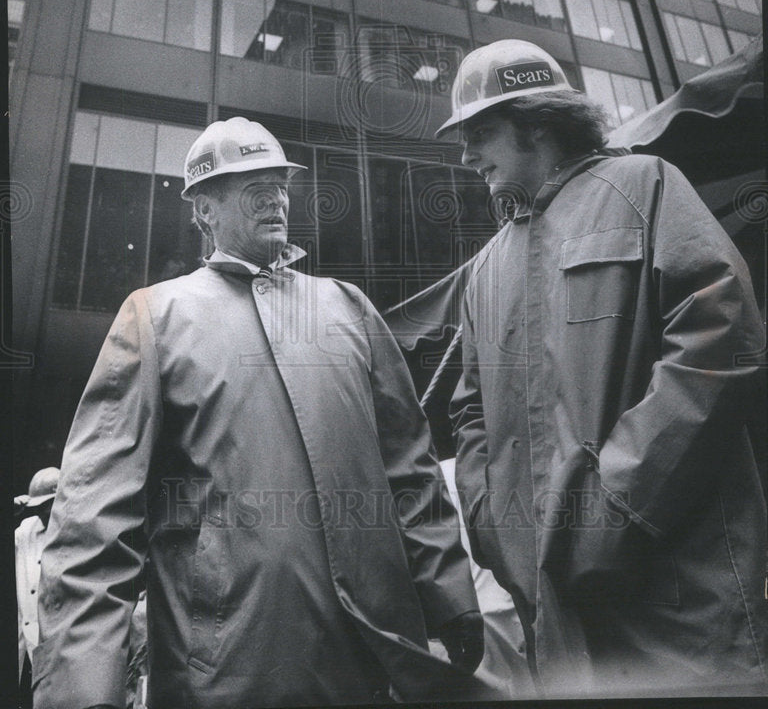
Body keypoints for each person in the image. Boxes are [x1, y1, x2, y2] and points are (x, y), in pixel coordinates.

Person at [33, 118, 489, 709]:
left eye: (280, 183)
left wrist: (452, 597)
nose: (276, 198)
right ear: (204, 210)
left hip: (379, 660)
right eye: (254, 187)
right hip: (231, 673)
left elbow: (411, 471)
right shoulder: (155, 317)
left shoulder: (348, 307)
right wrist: (82, 689)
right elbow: (94, 516)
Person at [438, 38, 767, 698]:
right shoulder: (485, 269)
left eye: (482, 132)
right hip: (554, 628)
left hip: (681, 613)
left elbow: (722, 333)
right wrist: (493, 527)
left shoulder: (645, 184)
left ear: (539, 120)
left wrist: (615, 510)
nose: (467, 156)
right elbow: (468, 412)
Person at [16, 468, 60, 698]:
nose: (43, 510)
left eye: (49, 504)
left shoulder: (74, 531)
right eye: (39, 505)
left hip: (58, 643)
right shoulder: (25, 530)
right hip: (26, 643)